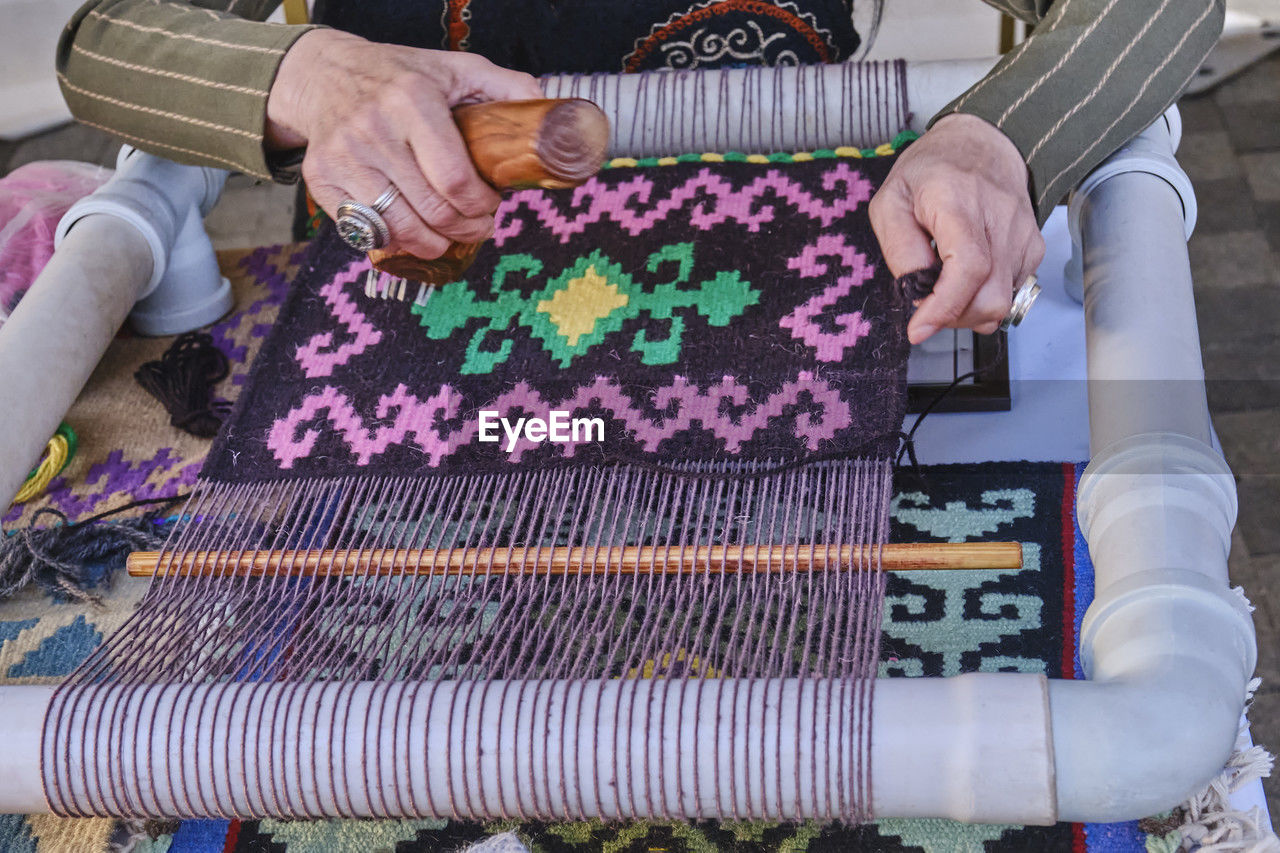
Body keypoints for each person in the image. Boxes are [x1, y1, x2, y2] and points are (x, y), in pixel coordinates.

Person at [56, 0, 1222, 344]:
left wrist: (993, 136)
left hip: (784, 319)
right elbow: (99, 43)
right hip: (421, 336)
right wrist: (306, 70)